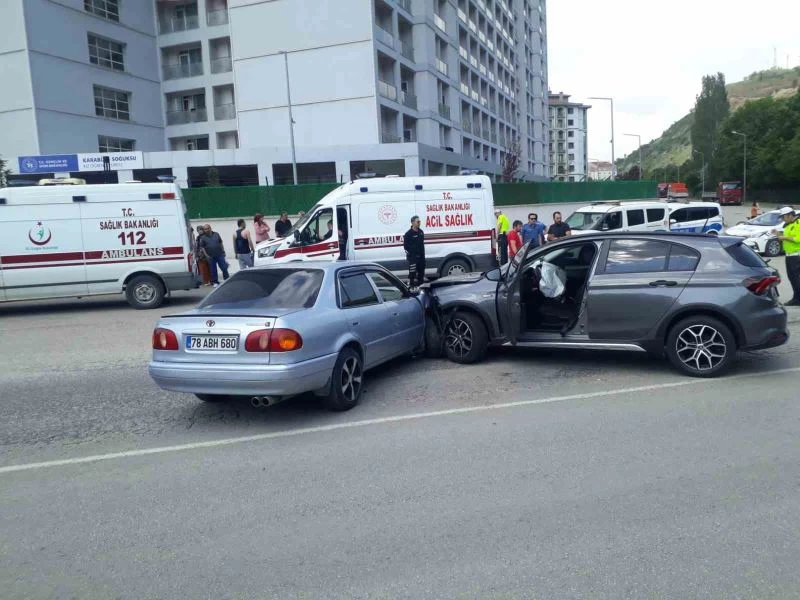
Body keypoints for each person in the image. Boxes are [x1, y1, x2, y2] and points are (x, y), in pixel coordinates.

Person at [773, 207, 800, 306]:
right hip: (789, 255)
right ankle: (797, 298)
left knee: (795, 278)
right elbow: (788, 236)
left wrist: (783, 237)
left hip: (796, 255)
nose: (782, 219)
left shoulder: (798, 223)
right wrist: (778, 234)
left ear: (790, 215)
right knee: (792, 277)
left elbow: (798, 239)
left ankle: (797, 299)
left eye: (783, 217)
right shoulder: (789, 225)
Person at [403, 215, 426, 289]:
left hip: (421, 258)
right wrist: (412, 257)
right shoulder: (408, 234)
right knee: (412, 275)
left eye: (420, 221)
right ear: (412, 222)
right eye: (418, 221)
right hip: (413, 259)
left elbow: (422, 246)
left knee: (421, 275)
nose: (419, 223)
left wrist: (423, 258)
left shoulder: (421, 232)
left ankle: (421, 290)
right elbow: (405, 247)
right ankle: (411, 289)